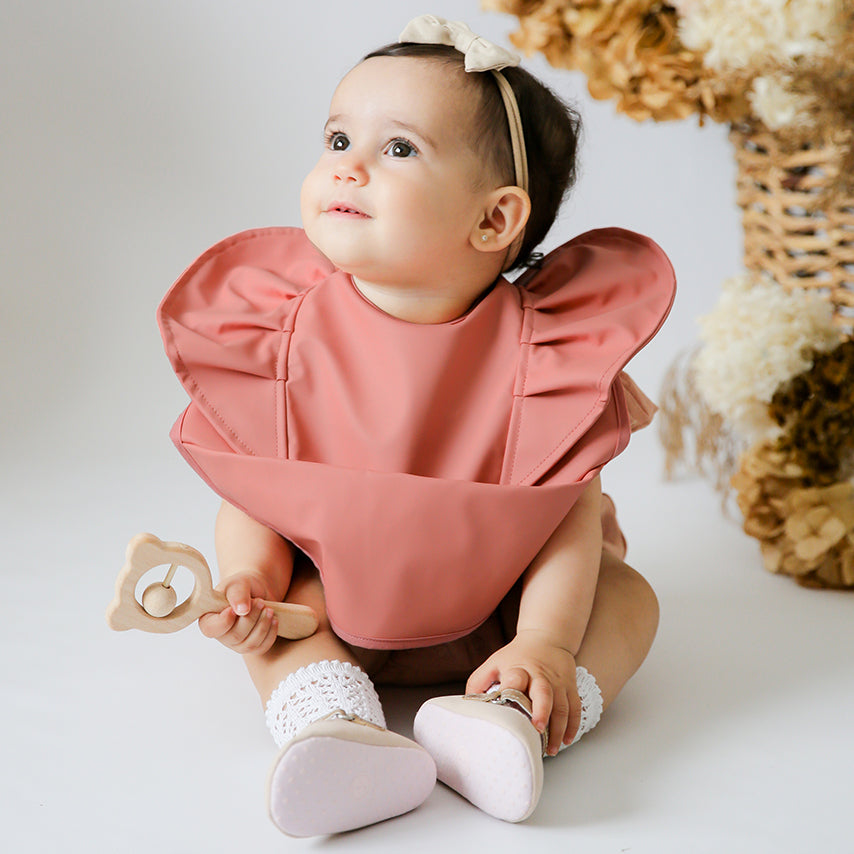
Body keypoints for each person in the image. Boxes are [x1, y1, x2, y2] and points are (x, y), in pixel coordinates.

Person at [157, 14, 675, 838]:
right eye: (337, 139)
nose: (347, 166)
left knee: (627, 599)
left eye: (397, 148)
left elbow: (565, 516)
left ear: (494, 221)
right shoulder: (282, 338)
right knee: (285, 620)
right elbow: (257, 488)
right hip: (337, 604)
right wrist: (250, 579)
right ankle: (333, 724)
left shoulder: (544, 357)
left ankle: (513, 714)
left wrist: (544, 639)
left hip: (504, 610)